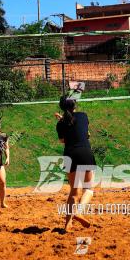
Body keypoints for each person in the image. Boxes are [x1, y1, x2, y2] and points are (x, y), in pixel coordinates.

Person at [56, 96, 95, 230]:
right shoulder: (83, 116)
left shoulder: (60, 123)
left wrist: (62, 120)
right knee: (89, 189)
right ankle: (79, 212)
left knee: (73, 192)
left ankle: (67, 224)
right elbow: (86, 134)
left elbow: (62, 141)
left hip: (70, 154)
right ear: (75, 105)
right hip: (84, 152)